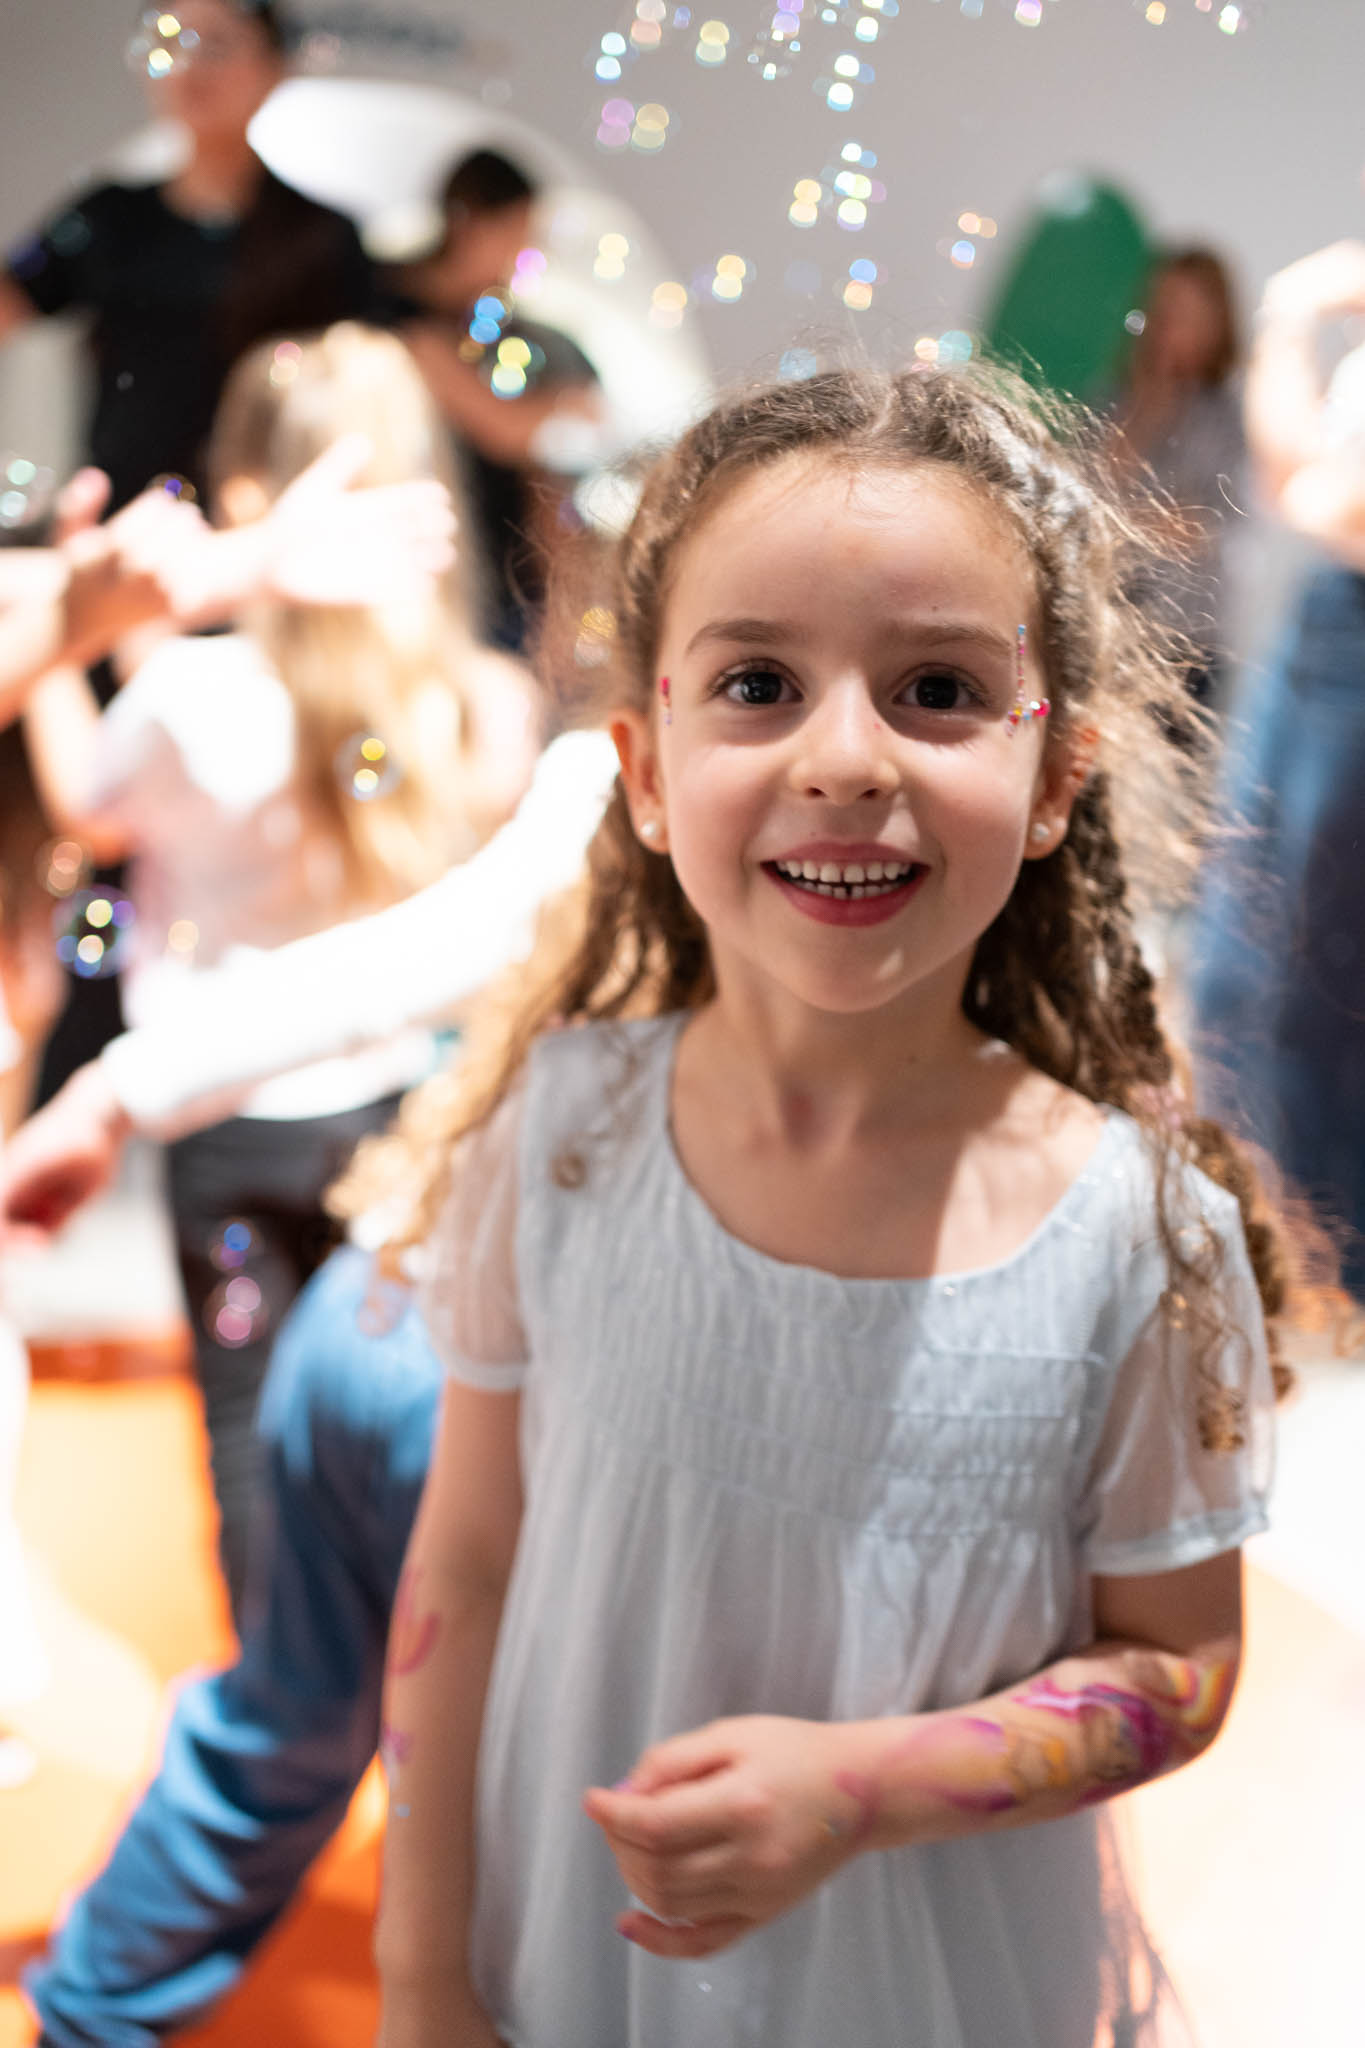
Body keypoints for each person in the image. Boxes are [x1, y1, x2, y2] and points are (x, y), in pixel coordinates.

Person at [370, 364, 1292, 2048]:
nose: (846, 756)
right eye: (760, 684)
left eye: (937, 686)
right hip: (567, 1962)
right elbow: (470, 1562)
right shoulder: (563, 1135)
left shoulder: (1134, 1241)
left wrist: (869, 1785)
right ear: (645, 772)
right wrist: (423, 1980)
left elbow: (1187, 1665)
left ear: (1060, 774)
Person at [20, 322, 538, 1616]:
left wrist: (58, 659)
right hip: (400, 1105)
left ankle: (275, 1689)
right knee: (412, 1407)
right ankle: (415, 1675)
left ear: (247, 492)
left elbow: (91, 809)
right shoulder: (469, 701)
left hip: (220, 1115)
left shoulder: (190, 697)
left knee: (250, 1425)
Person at [0, 0, 375, 516]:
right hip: (127, 519)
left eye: (217, 45)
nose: (192, 66)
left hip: (266, 526)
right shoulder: (108, 217)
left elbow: (369, 384)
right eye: (173, 44)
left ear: (274, 69)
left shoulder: (321, 235)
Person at [1185, 236, 1365, 1298]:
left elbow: (1322, 499)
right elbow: (1296, 479)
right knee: (1248, 959)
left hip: (1348, 640)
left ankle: (1326, 1257)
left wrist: (1299, 309)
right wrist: (1296, 311)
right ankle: (1293, 1241)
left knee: (1301, 971)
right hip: (1332, 627)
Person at [383, 149, 603, 650]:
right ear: (468, 222)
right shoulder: (394, 314)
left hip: (500, 576)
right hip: (419, 568)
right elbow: (501, 429)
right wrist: (556, 406)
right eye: (517, 233)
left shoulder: (506, 330)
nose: (525, 253)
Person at [1109, 246, 1246, 713]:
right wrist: (1150, 404)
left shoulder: (1229, 415)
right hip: (1109, 629)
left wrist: (1125, 524)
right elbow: (1088, 492)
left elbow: (1199, 524)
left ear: (1217, 324)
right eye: (1162, 307)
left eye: (1186, 313)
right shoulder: (1114, 397)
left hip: (1187, 641)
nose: (1169, 325)